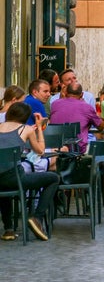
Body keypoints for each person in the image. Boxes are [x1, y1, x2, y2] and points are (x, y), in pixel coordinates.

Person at [0, 102, 58, 241]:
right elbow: (40, 151)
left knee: (3, 187)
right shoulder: (26, 129)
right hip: (15, 179)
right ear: (26, 117)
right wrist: (38, 128)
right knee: (53, 178)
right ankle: (37, 218)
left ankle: (8, 229)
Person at [49, 83, 102, 152]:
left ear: (66, 93)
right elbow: (100, 127)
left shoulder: (55, 104)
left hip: (56, 148)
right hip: (77, 150)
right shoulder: (87, 107)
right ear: (82, 94)